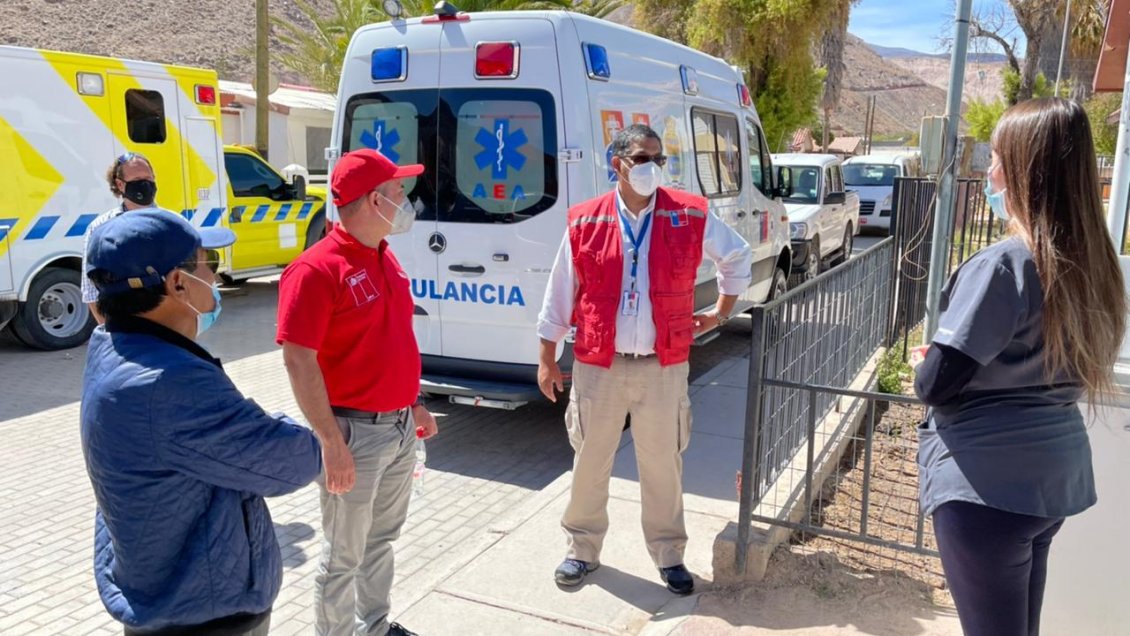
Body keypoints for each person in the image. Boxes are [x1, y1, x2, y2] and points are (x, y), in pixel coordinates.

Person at [914, 97, 1126, 636]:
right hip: (1052, 481)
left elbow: (936, 383)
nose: (989, 172)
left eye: (997, 158)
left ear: (1025, 169)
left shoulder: (1006, 264)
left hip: (986, 487)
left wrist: (928, 361)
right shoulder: (1098, 267)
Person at [80, 209, 323, 635]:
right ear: (177, 283)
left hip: (162, 594)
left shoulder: (113, 344)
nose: (214, 279)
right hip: (202, 612)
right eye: (208, 266)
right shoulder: (170, 383)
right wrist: (278, 425)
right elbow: (291, 461)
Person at [536, 124, 753, 594]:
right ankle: (582, 550)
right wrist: (547, 358)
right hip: (600, 365)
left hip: (663, 365)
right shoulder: (585, 220)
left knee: (663, 465)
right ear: (617, 163)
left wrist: (720, 312)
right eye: (641, 158)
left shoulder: (688, 213)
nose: (651, 167)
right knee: (589, 462)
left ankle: (669, 554)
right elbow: (559, 293)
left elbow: (737, 256)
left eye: (658, 158)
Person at [277, 149, 438, 636]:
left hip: (399, 426)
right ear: (374, 201)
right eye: (397, 192)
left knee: (381, 541)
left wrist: (415, 403)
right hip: (354, 434)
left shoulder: (385, 258)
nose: (406, 200)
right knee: (343, 554)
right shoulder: (316, 270)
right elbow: (298, 358)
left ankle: (376, 625)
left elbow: (393, 341)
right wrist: (331, 441)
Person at [82, 152, 161, 324]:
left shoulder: (174, 223)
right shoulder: (99, 228)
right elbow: (91, 291)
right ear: (120, 184)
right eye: (138, 179)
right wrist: (110, 333)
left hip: (169, 326)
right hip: (124, 328)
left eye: (149, 178)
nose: (146, 184)